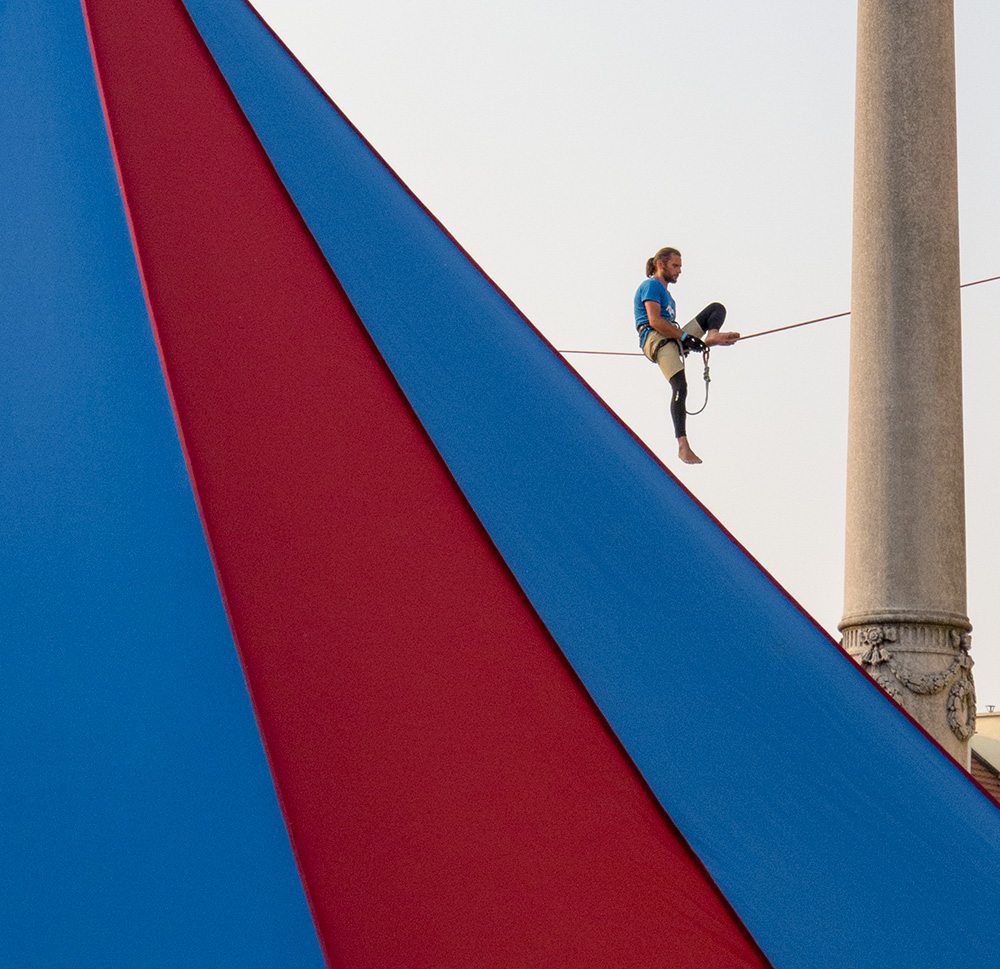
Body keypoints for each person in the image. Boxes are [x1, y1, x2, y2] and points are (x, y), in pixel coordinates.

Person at [633, 247, 739, 464]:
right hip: (656, 338)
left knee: (715, 308)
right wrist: (684, 338)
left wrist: (687, 339)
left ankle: (712, 334)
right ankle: (682, 445)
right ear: (661, 264)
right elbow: (654, 321)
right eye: (675, 265)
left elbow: (668, 324)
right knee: (680, 386)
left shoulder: (670, 299)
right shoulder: (651, 285)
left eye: (680, 266)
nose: (679, 271)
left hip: (673, 336)